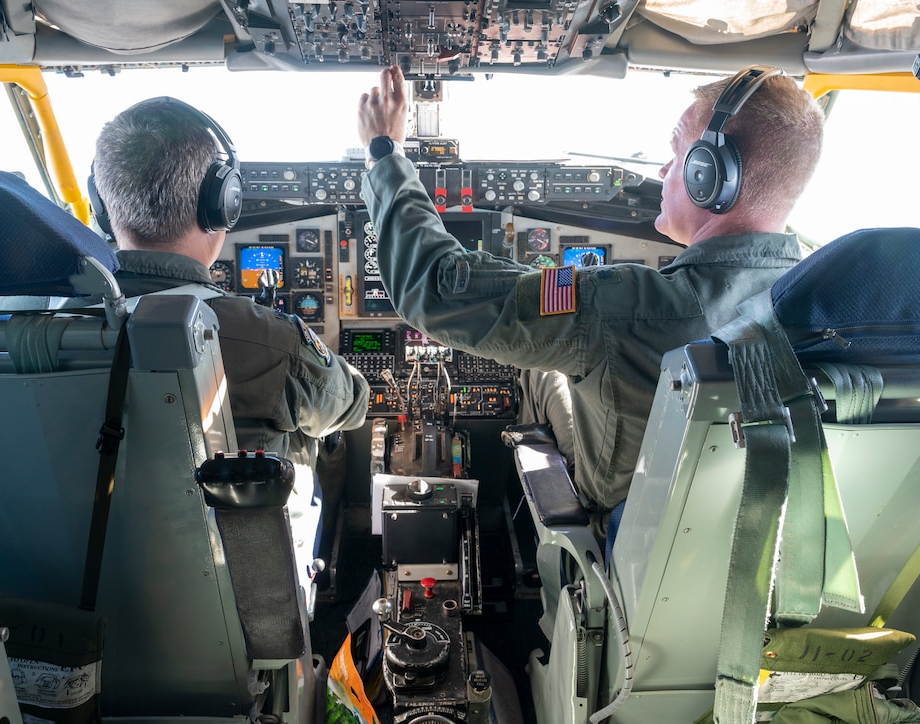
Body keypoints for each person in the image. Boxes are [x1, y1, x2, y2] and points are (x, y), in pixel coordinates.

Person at [356, 65, 824, 533]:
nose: (662, 171)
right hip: (747, 528)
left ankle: (527, 547)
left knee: (539, 366)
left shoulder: (623, 303)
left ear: (709, 176)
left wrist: (384, 154)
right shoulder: (827, 307)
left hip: (623, 525)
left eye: (678, 153)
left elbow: (433, 289)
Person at [91, 97, 370, 587]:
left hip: (92, 585)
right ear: (222, 204)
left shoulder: (34, 327)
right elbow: (352, 402)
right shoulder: (259, 339)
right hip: (248, 602)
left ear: (100, 204)